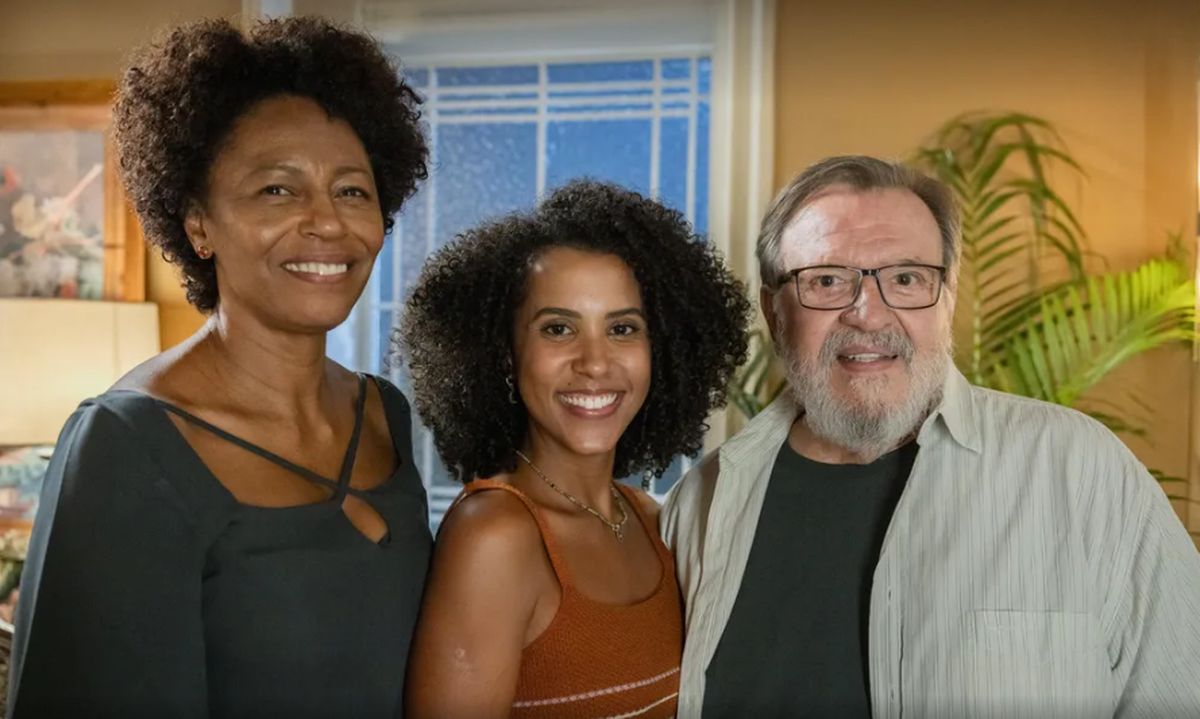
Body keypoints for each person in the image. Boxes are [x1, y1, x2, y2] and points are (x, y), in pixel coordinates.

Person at [662, 155, 1200, 718]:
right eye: (826, 280)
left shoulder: (1080, 471)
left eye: (906, 278)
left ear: (947, 300)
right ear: (775, 312)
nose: (868, 316)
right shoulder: (701, 502)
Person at [9, 16, 432, 718]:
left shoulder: (385, 412)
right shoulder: (127, 446)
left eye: (353, 190)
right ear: (197, 222)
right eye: (278, 190)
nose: (327, 221)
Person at [400, 180, 750, 718]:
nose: (594, 362)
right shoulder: (495, 536)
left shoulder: (654, 522)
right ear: (504, 355)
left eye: (623, 328)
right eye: (558, 328)